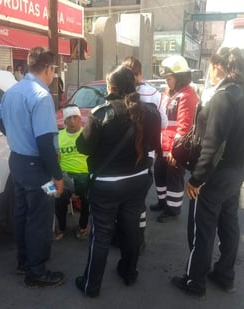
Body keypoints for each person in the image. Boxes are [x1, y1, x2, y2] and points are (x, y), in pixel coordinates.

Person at [171, 47, 244, 298]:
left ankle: (194, 281)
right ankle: (225, 275)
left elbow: (213, 144)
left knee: (204, 229)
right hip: (236, 171)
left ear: (218, 66)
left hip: (216, 174)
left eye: (211, 66)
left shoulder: (223, 96)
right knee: (229, 224)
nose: (210, 70)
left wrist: (197, 178)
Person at [75, 65, 161, 297]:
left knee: (101, 233)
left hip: (107, 184)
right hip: (137, 180)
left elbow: (83, 147)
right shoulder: (150, 111)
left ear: (110, 87)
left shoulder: (101, 113)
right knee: (131, 228)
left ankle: (91, 285)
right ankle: (129, 273)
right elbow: (153, 144)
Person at [0, 47, 65, 288]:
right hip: (38, 169)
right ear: (48, 69)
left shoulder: (13, 90)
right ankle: (36, 271)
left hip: (18, 163)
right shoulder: (41, 96)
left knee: (22, 214)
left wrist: (15, 135)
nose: (54, 74)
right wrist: (57, 176)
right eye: (54, 70)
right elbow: (45, 142)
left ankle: (24, 260)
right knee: (41, 218)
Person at [121, 56, 165, 253]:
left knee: (123, 201)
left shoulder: (119, 91)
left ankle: (123, 237)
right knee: (138, 202)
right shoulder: (154, 94)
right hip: (145, 156)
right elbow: (162, 124)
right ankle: (138, 239)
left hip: (122, 156)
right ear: (140, 73)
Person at [150, 55, 199, 222]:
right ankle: (163, 202)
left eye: (169, 78)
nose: (166, 82)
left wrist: (175, 151)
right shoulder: (169, 92)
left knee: (174, 178)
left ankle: (173, 209)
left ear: (179, 77)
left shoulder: (187, 96)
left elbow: (184, 127)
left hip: (175, 147)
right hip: (163, 144)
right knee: (160, 173)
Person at [55, 105, 90, 241]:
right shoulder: (58, 137)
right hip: (65, 175)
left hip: (85, 174)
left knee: (88, 199)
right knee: (59, 197)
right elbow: (54, 160)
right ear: (65, 121)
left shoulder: (87, 134)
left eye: (76, 117)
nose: (73, 121)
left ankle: (83, 226)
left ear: (80, 119)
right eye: (69, 118)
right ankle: (62, 227)